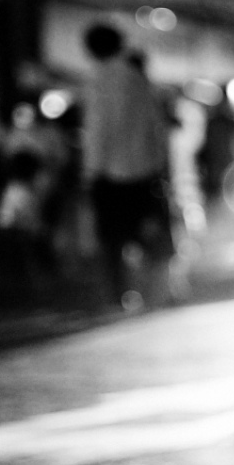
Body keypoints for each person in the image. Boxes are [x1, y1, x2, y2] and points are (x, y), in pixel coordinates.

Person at [81, 24, 174, 309]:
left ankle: (118, 298)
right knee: (151, 234)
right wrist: (160, 165)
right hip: (145, 172)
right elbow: (156, 127)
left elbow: (98, 130)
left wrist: (90, 171)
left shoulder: (100, 79)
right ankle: (157, 293)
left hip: (110, 174)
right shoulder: (137, 77)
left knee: (112, 242)